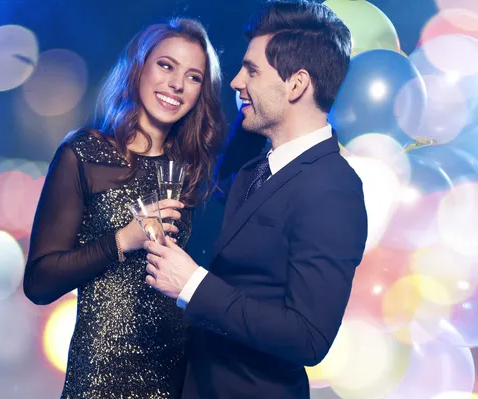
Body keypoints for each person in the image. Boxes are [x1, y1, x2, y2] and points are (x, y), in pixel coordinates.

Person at [143, 1, 368, 398]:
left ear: (296, 84)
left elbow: (309, 337)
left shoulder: (334, 188)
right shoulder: (249, 167)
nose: (235, 82)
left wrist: (193, 284)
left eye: (251, 70)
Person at [22, 18, 225, 398]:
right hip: (101, 378)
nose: (177, 84)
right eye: (166, 65)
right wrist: (123, 239)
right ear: (139, 67)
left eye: (194, 76)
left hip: (176, 378)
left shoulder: (195, 171)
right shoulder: (83, 154)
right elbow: (38, 282)